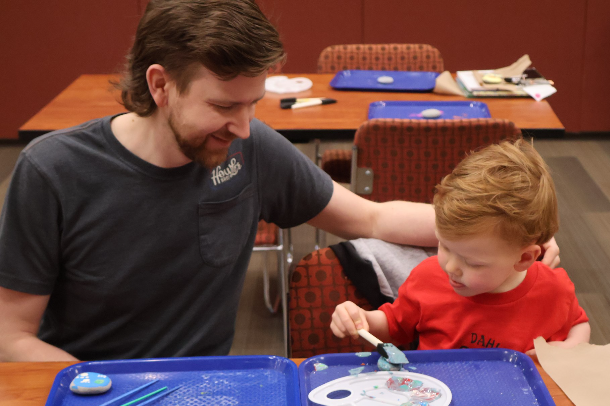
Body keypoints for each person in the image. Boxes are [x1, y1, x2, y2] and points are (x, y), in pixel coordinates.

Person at [0, 1, 559, 362]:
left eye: (253, 105)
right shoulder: (54, 171)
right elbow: (11, 334)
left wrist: (506, 231)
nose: (244, 127)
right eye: (223, 106)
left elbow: (370, 217)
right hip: (91, 388)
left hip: (213, 388)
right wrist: (100, 388)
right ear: (161, 84)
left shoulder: (249, 147)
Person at [331, 139, 589, 355]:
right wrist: (362, 319)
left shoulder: (553, 290)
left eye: (473, 262)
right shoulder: (428, 276)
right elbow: (394, 324)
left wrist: (571, 347)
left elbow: (579, 324)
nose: (451, 267)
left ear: (523, 258)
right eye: (444, 245)